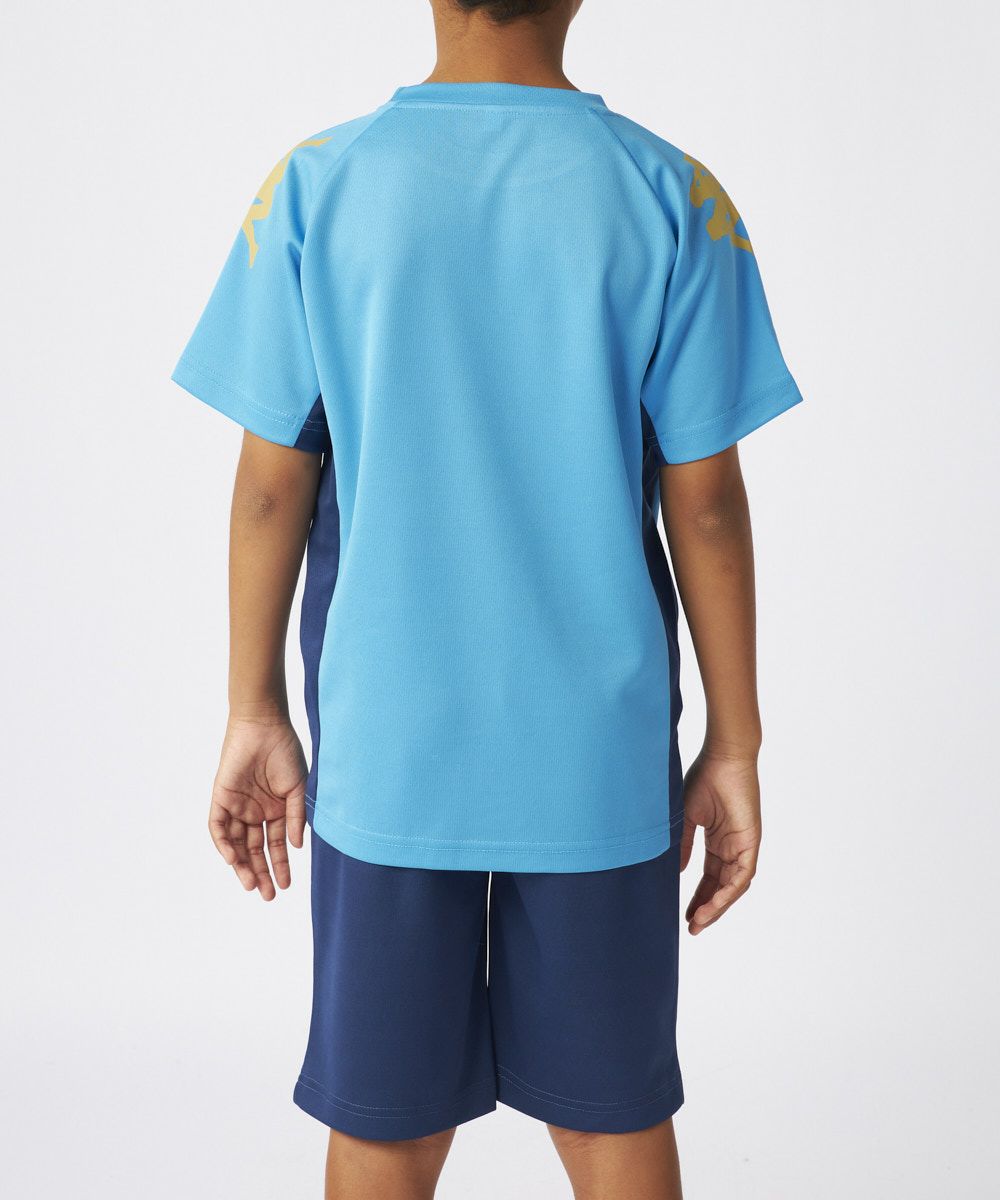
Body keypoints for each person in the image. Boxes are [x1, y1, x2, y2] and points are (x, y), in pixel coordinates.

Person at [172, 1, 801, 1195]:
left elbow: (269, 490)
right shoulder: (673, 196)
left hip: (389, 751)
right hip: (595, 754)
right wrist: (735, 740)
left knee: (385, 1122)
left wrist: (254, 709)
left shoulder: (316, 187)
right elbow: (707, 504)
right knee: (613, 1116)